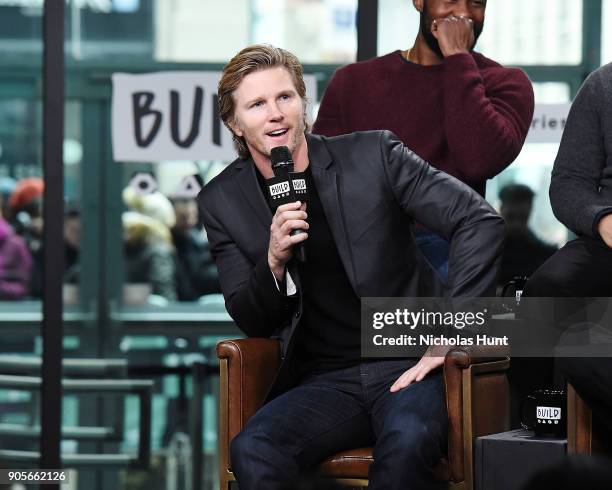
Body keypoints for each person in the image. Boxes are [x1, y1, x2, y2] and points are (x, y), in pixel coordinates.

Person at [199, 44, 505, 490]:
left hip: (409, 359)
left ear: (304, 103)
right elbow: (251, 317)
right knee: (252, 448)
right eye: (257, 104)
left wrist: (453, 332)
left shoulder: (373, 154)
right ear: (234, 122)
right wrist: (273, 261)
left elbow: (478, 220)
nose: (275, 114)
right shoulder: (221, 201)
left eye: (285, 97)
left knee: (408, 442)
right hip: (324, 379)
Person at [313, 0, 534, 277]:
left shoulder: (504, 83)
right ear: (419, 2)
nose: (463, 14)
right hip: (365, 244)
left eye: (476, 3)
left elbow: (478, 160)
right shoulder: (352, 82)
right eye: (451, 0)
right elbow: (321, 180)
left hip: (448, 245)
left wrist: (457, 58)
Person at [522, 63, 612, 432]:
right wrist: (602, 220)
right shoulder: (603, 85)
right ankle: (535, 417)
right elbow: (568, 183)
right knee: (547, 287)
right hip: (606, 234)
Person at [497, 183, 557, 288]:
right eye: (511, 217)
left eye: (521, 218)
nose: (516, 224)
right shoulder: (545, 254)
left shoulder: (546, 254)